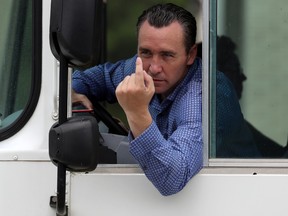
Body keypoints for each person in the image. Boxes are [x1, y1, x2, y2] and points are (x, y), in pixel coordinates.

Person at [72, 3, 251, 196]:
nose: (154, 67)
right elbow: (82, 81)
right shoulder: (140, 67)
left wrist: (137, 114)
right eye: (146, 52)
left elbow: (171, 179)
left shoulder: (202, 95)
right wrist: (71, 91)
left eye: (167, 55)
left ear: (190, 55)